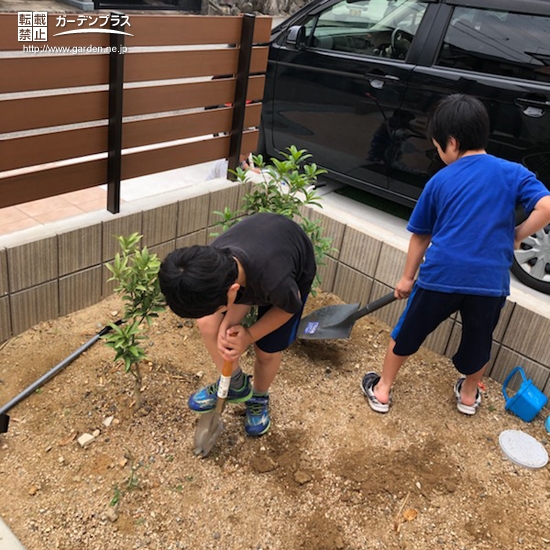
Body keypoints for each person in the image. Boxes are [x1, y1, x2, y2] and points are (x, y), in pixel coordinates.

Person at [360, 93, 550, 416]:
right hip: (489, 283)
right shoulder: (512, 173)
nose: (438, 153)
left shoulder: (440, 181)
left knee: (408, 332)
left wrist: (407, 278)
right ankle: (468, 395)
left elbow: (421, 236)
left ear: (451, 142)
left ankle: (382, 390)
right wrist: (517, 235)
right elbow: (546, 205)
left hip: (441, 276)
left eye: (437, 147)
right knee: (479, 342)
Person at [159, 212, 316, 436]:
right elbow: (241, 292)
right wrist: (228, 324)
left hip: (291, 278)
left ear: (234, 291)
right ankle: (235, 383)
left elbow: (288, 307)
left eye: (218, 306)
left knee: (267, 350)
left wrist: (249, 336)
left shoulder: (277, 281)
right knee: (208, 324)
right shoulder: (213, 263)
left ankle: (259, 397)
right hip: (257, 256)